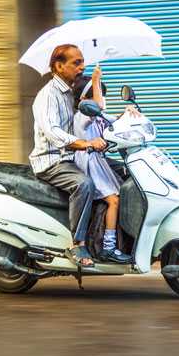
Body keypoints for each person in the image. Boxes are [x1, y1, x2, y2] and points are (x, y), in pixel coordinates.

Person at [29, 44, 105, 268]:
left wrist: (124, 119)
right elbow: (53, 131)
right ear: (59, 66)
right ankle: (77, 244)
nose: (82, 67)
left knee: (119, 172)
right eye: (76, 63)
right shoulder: (48, 96)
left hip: (74, 156)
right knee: (84, 184)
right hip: (52, 160)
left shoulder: (72, 91)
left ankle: (106, 239)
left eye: (82, 62)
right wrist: (84, 143)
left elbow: (96, 111)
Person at [72, 66, 133, 263]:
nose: (100, 101)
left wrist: (129, 112)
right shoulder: (83, 115)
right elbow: (99, 106)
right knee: (113, 200)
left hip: (99, 161)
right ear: (83, 100)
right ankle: (108, 248)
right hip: (89, 163)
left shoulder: (96, 114)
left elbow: (115, 122)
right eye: (95, 96)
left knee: (124, 191)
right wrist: (96, 79)